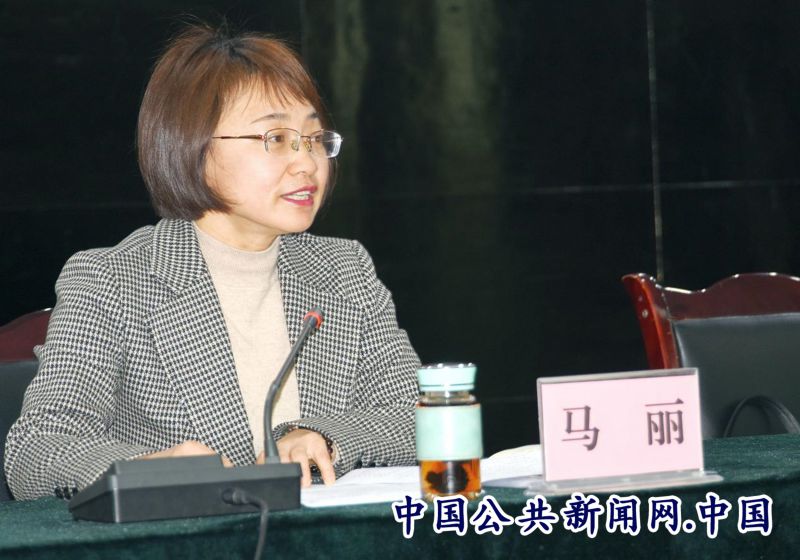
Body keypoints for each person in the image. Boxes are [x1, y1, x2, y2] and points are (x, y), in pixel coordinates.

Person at [3, 22, 420, 500]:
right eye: (276, 138)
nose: (307, 163)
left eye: (313, 138)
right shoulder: (113, 281)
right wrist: (148, 471)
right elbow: (36, 451)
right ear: (194, 147)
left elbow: (415, 416)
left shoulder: (343, 270)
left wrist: (324, 437)